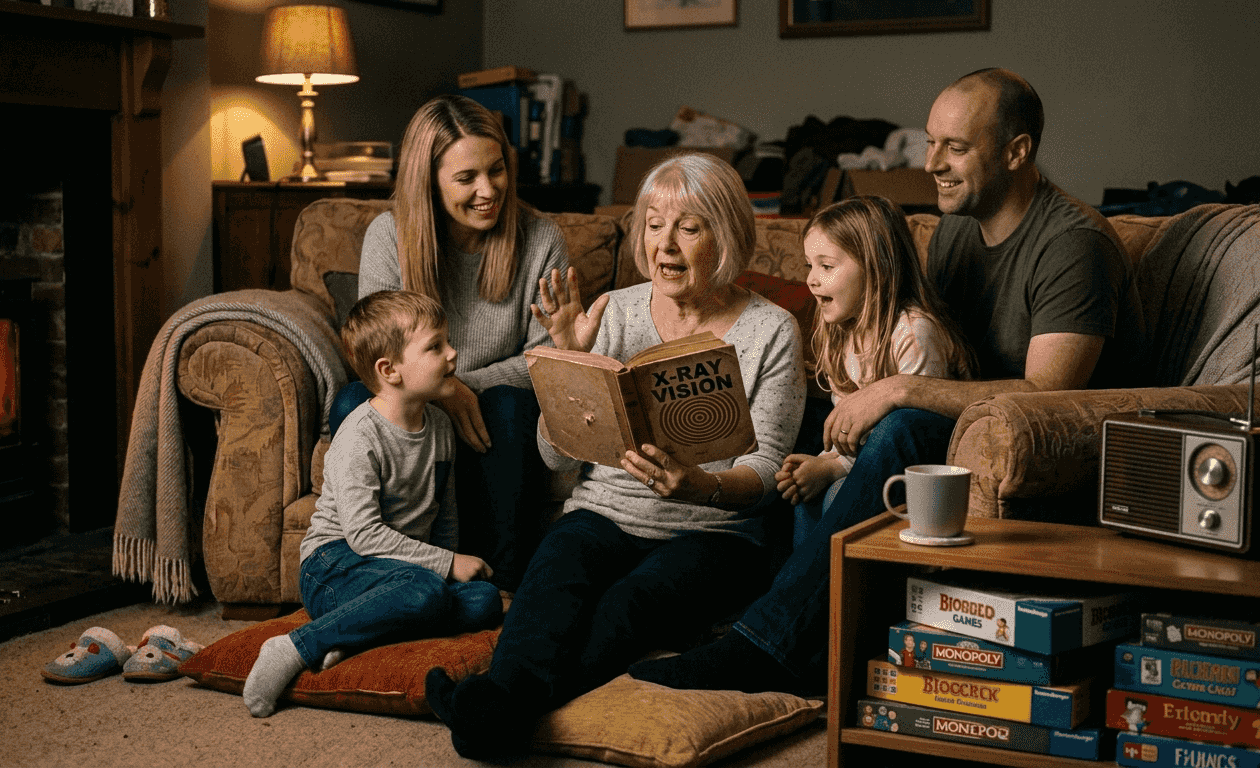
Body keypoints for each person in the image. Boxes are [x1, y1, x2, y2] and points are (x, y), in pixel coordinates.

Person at [629, 68, 1144, 695]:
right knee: (807, 439)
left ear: (1017, 152)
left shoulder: (1072, 245)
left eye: (955, 148)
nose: (932, 164)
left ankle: (768, 644)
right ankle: (773, 617)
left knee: (897, 422)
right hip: (960, 433)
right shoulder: (958, 228)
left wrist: (895, 389)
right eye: (930, 143)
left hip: (1050, 462)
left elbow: (1048, 399)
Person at [424, 152, 807, 759]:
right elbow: (556, 459)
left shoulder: (772, 330)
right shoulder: (615, 310)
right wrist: (569, 362)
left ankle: (494, 707)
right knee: (549, 583)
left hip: (717, 533)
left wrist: (697, 487)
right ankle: (502, 709)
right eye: (654, 225)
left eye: (689, 226)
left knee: (629, 604)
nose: (666, 245)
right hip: (604, 512)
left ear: (727, 234)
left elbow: (764, 475)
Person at [332, 94, 571, 593]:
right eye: (467, 179)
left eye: (497, 170)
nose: (489, 190)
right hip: (413, 399)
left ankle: (501, 587)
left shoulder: (541, 237)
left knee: (510, 405)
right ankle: (382, 581)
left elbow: (546, 358)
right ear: (429, 181)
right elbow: (376, 360)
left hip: (493, 407)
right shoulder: (389, 234)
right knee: (354, 402)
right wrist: (440, 390)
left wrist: (459, 385)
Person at [243, 290, 502, 718]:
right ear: (390, 370)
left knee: (484, 601)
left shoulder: (439, 425)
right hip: (334, 567)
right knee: (426, 590)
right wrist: (446, 564)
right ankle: (295, 646)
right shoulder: (360, 436)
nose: (453, 354)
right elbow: (363, 536)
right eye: (436, 346)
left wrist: (448, 563)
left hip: (399, 573)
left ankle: (352, 636)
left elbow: (444, 520)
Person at [773, 195, 976, 521]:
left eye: (826, 266)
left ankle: (800, 574)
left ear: (876, 269)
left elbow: (910, 437)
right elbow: (849, 434)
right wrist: (823, 463)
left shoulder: (914, 333)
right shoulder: (839, 332)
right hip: (864, 461)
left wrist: (831, 470)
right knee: (804, 498)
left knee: (834, 494)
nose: (811, 278)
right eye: (809, 265)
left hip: (919, 472)